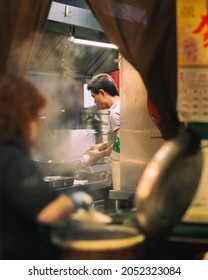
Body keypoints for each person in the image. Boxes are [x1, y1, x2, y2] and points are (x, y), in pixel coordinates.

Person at [0, 74, 93, 260]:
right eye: (35, 115)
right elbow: (50, 213)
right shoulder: (10, 157)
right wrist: (74, 200)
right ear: (20, 117)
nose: (38, 124)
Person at [83, 73, 120, 166]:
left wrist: (99, 155)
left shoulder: (115, 113)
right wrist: (100, 146)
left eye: (94, 96)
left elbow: (122, 144)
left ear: (102, 93)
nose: (94, 101)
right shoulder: (121, 107)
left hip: (119, 170)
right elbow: (119, 139)